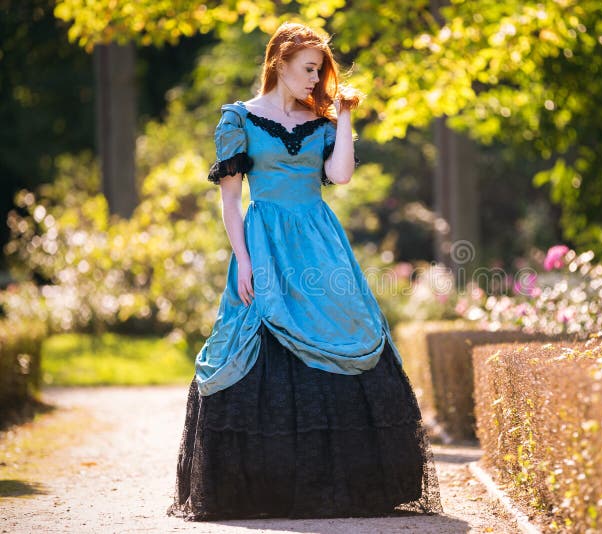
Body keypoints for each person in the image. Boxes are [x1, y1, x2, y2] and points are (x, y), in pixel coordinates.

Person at [166, 21, 443, 521]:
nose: (317, 79)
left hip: (320, 243)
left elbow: (338, 175)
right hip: (266, 241)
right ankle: (264, 487)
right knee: (253, 336)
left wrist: (342, 118)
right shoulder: (238, 119)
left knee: (347, 330)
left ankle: (342, 484)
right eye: (310, 69)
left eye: (321, 71)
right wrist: (244, 260)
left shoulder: (321, 122)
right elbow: (231, 202)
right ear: (280, 63)